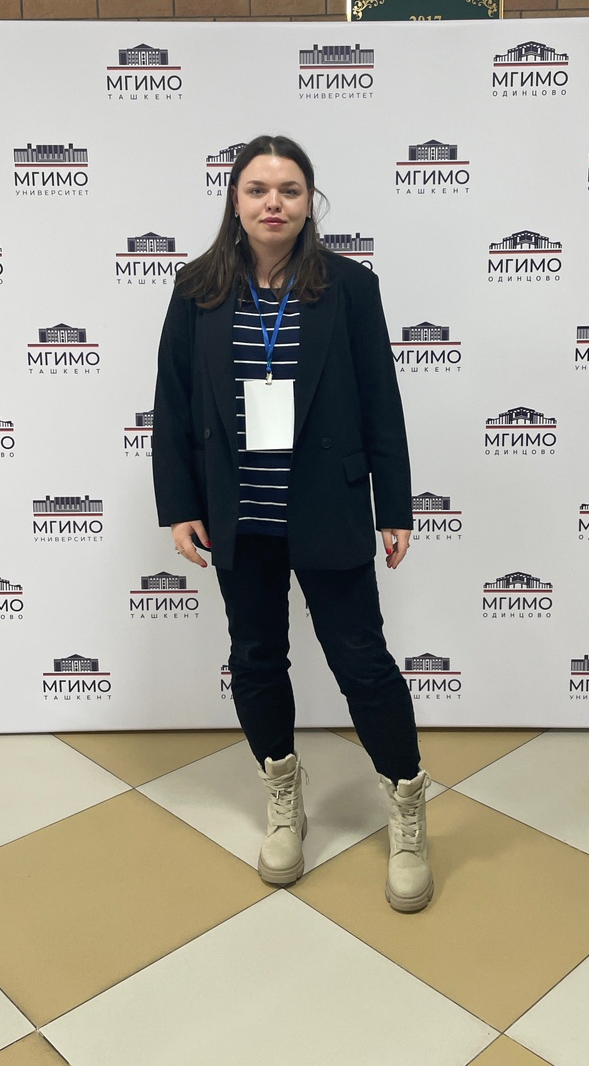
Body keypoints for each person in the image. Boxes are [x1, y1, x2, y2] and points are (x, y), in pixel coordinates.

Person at [152, 134, 432, 912]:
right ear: (235, 201)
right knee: (255, 659)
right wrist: (180, 504)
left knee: (363, 663)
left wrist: (394, 505)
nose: (273, 202)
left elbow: (380, 398)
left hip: (328, 504)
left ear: (310, 203)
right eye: (257, 189)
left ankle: (407, 804)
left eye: (289, 190)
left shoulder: (349, 287)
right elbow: (174, 402)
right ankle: (283, 792)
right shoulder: (197, 288)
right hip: (239, 515)